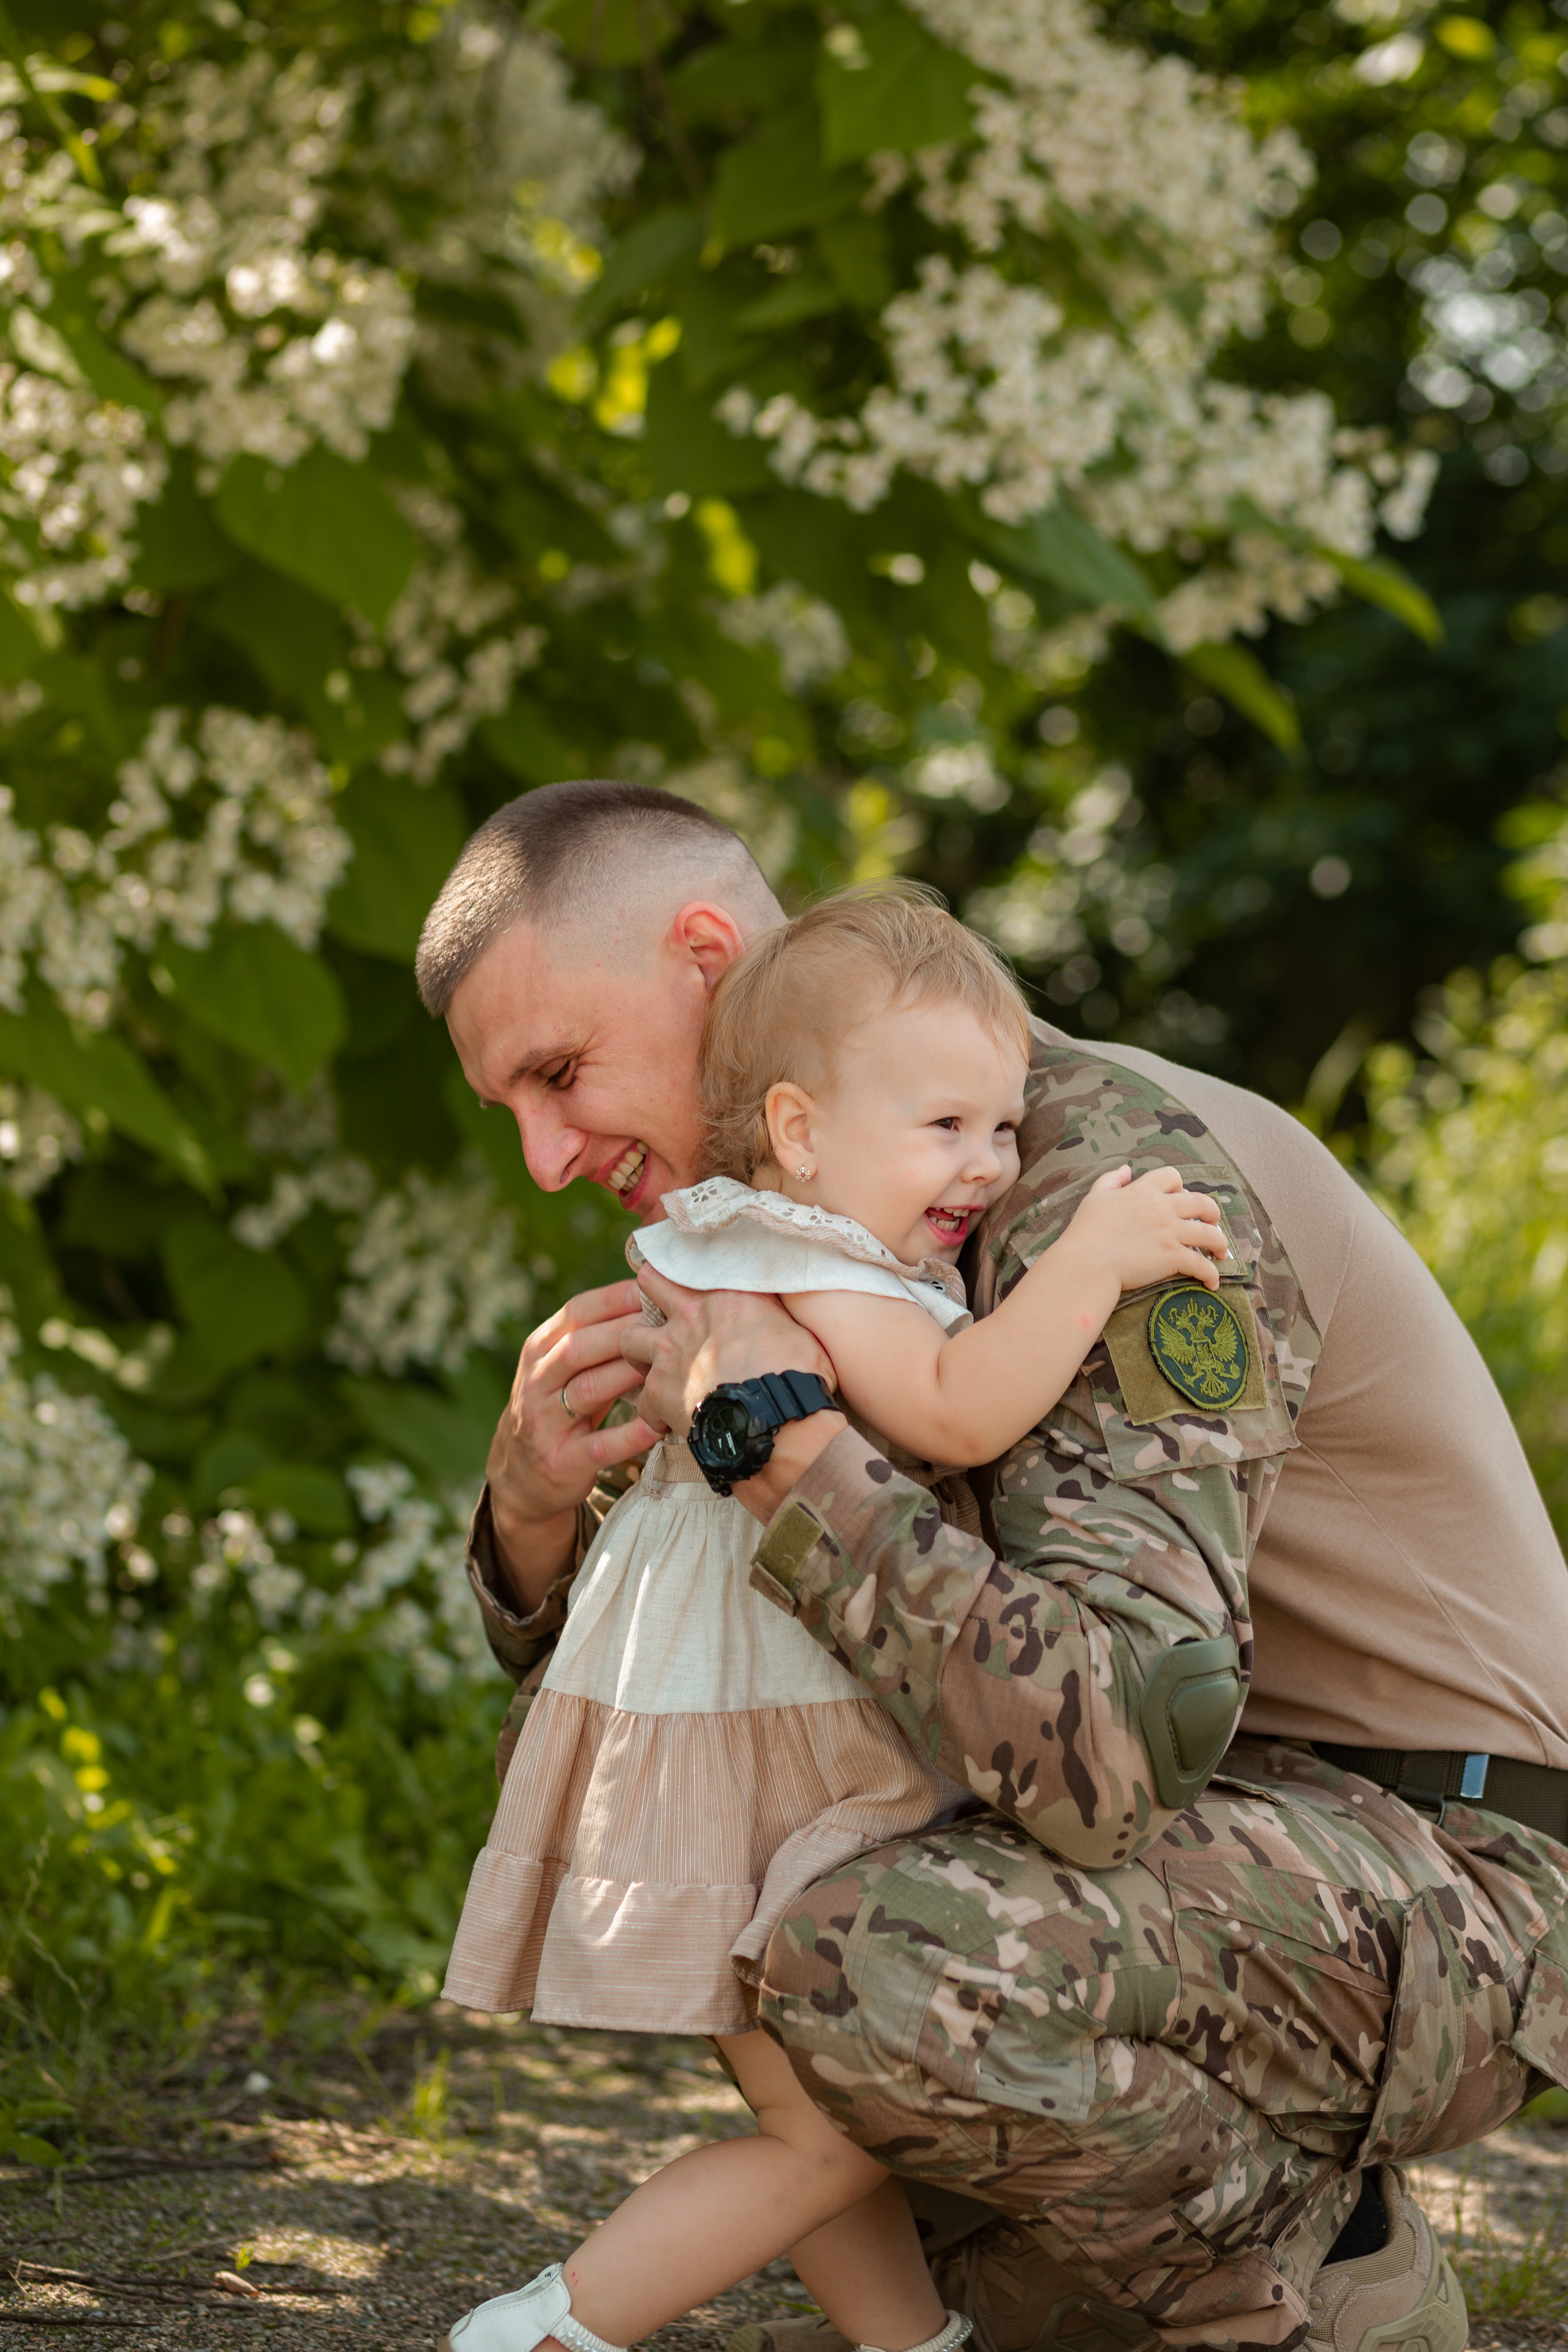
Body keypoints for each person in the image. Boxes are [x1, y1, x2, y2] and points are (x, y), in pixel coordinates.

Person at [417, 779, 1568, 2352]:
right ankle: (1028, 2279)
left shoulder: (1090, 1182)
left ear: (701, 955)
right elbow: (728, 1689)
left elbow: (1107, 1750)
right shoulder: (823, 1217)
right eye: (514, 1113)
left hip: (1456, 1862)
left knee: (875, 1954)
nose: (548, 1157)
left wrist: (776, 1441)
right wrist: (531, 1510)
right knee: (698, 1799)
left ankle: (1308, 2282)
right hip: (1217, 1842)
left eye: (560, 1073)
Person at [440, 893, 1229, 2352]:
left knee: (820, 2118)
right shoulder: (826, 1265)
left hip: (694, 1722)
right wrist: (1090, 1262)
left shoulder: (725, 1237)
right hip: (782, 1738)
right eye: (944, 1129)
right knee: (828, 2127)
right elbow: (956, 1403)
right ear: (800, 1132)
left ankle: (912, 2345)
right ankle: (551, 2333)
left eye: (1000, 1130)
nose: (988, 1167)